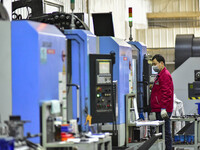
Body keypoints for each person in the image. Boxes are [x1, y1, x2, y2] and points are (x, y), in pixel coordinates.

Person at [150, 54, 174, 150]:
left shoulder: (165, 75)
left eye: (155, 64)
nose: (154, 66)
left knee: (165, 132)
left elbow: (166, 93)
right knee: (161, 132)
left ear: (161, 63)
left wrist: (163, 108)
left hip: (163, 109)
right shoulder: (159, 75)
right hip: (159, 108)